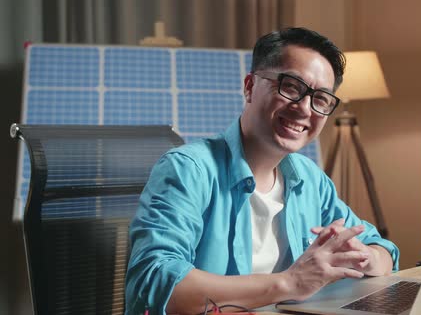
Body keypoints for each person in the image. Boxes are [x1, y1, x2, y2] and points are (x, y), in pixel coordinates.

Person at [125, 27, 399, 315]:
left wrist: (363, 255)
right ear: (249, 87)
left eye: (321, 99)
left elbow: (384, 251)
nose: (305, 108)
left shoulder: (309, 178)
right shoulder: (188, 169)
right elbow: (156, 281)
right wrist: (289, 283)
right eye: (291, 87)